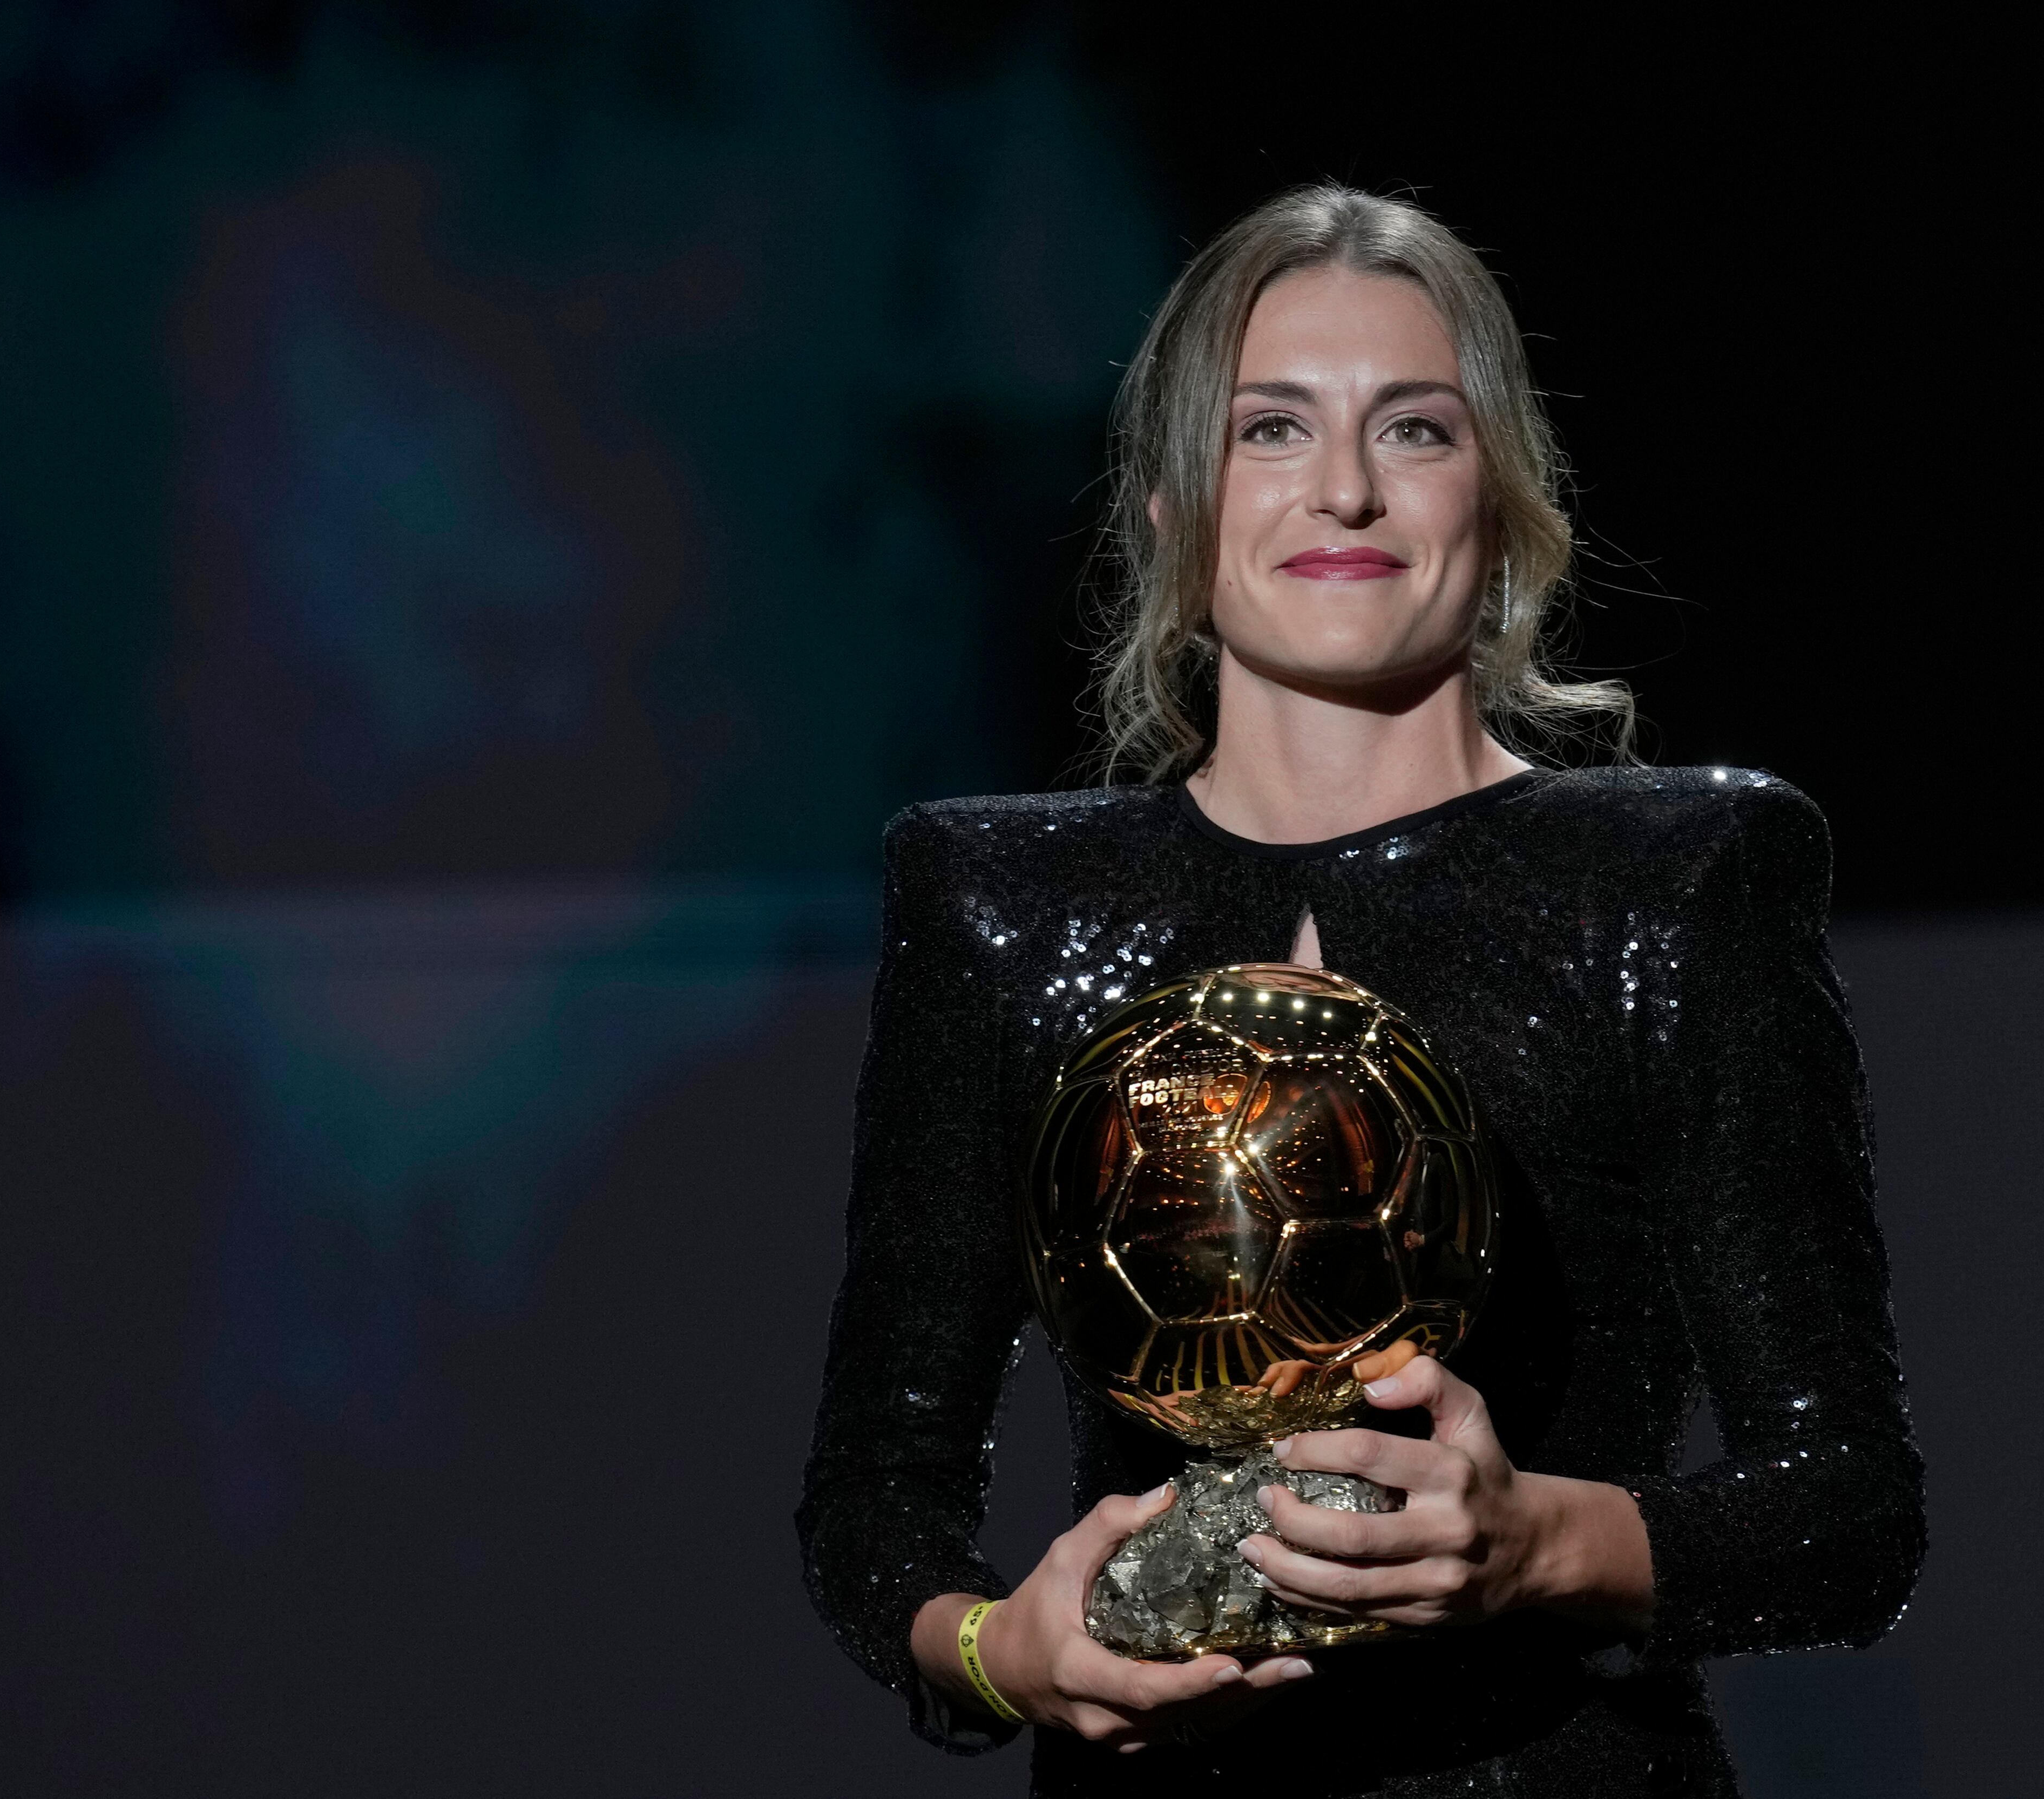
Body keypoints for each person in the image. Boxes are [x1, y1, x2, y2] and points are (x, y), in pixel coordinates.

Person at [796, 186, 1924, 1796]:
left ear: (1508, 502)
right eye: (1270, 430)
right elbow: (874, 1490)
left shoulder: (1680, 883)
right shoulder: (1000, 908)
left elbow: (1851, 1516)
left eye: (1413, 430)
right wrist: (997, 1647)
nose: (1342, 487)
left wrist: (1544, 1541)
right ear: (1173, 507)